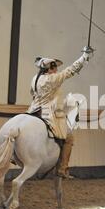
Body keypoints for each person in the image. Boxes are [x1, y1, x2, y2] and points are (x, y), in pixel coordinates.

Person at [27, 47, 93, 179]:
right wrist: (84, 57)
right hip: (48, 113)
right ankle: (62, 169)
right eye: (54, 68)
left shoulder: (35, 78)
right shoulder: (52, 79)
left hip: (32, 111)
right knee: (69, 137)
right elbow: (70, 70)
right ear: (50, 69)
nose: (56, 70)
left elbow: (32, 94)